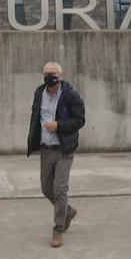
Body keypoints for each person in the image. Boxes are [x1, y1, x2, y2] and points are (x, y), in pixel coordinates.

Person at [26, 61, 86, 248]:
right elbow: (35, 116)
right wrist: (33, 139)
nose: (49, 77)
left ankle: (58, 229)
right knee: (46, 188)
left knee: (60, 188)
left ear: (60, 76)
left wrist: (58, 125)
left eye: (52, 73)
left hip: (64, 148)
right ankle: (67, 211)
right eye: (46, 74)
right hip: (46, 149)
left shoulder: (71, 96)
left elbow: (80, 120)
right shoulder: (39, 93)